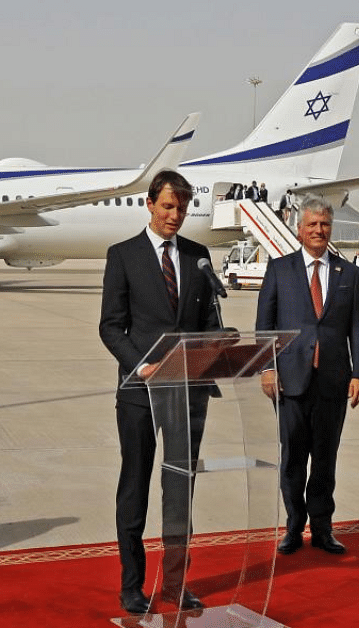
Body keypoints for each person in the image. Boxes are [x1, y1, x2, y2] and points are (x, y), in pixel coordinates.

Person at [99, 170, 219, 614]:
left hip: (188, 393)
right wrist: (141, 365)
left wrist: (218, 349)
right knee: (135, 484)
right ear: (149, 204)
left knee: (179, 489)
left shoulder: (198, 256)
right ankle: (132, 584)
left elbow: (209, 323)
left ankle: (175, 582)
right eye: (168, 207)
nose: (175, 216)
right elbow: (110, 325)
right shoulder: (124, 255)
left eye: (182, 209)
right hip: (139, 392)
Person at [255, 195, 359, 556]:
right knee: (292, 459)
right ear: (300, 229)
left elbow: (358, 328)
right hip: (290, 381)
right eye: (313, 225)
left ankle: (322, 529)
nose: (319, 231)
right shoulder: (279, 269)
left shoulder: (348, 273)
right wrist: (267, 367)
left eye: (325, 225)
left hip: (333, 382)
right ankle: (293, 527)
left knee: (325, 459)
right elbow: (265, 326)